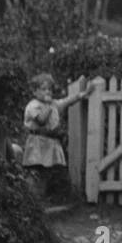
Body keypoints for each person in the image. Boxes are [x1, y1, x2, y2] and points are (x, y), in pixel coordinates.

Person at [23, 73, 93, 201]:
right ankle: (30, 198)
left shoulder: (54, 104)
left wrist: (81, 95)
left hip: (50, 143)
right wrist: (49, 106)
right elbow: (42, 120)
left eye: (49, 89)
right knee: (35, 171)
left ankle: (40, 198)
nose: (48, 92)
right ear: (35, 91)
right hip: (37, 142)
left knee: (46, 172)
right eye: (43, 89)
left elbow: (67, 101)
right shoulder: (33, 105)